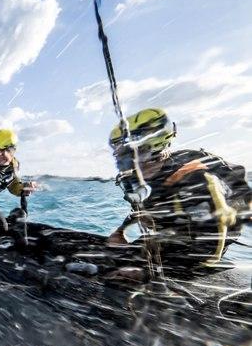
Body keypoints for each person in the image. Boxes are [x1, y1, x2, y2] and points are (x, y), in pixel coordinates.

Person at [107, 108, 251, 277]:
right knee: (123, 256)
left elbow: (210, 250)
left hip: (213, 234)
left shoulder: (196, 179)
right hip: (178, 226)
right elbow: (144, 208)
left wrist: (145, 273)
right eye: (117, 152)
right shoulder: (141, 179)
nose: (120, 159)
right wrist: (120, 231)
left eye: (125, 152)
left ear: (150, 149)